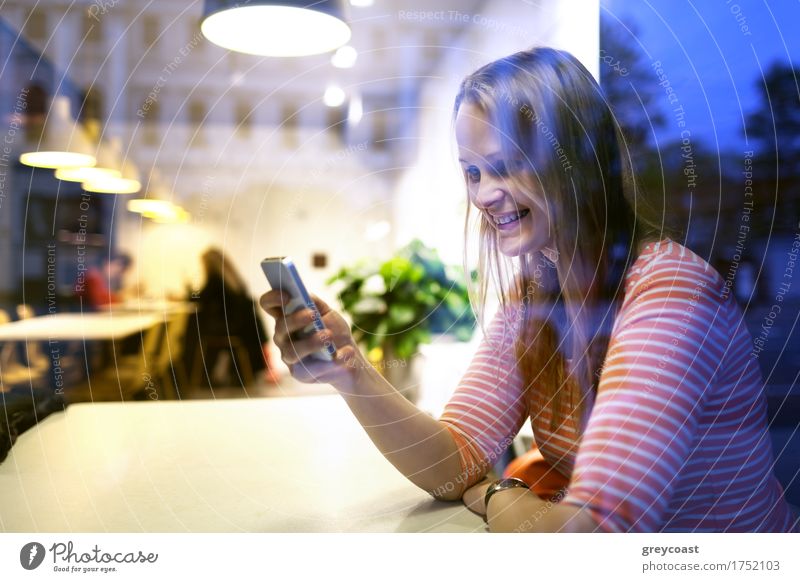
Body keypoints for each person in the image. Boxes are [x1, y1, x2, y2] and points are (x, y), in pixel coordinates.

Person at [260, 48, 798, 532]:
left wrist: (500, 492)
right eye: (472, 172)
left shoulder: (669, 293)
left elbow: (586, 540)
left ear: (579, 162)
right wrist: (349, 371)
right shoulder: (535, 293)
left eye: (509, 165)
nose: (485, 194)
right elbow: (453, 463)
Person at [190, 248, 275, 387]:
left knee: (193, 332)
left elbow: (199, 299)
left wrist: (190, 292)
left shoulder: (214, 279)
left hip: (230, 328)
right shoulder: (234, 279)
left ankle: (197, 377)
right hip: (242, 328)